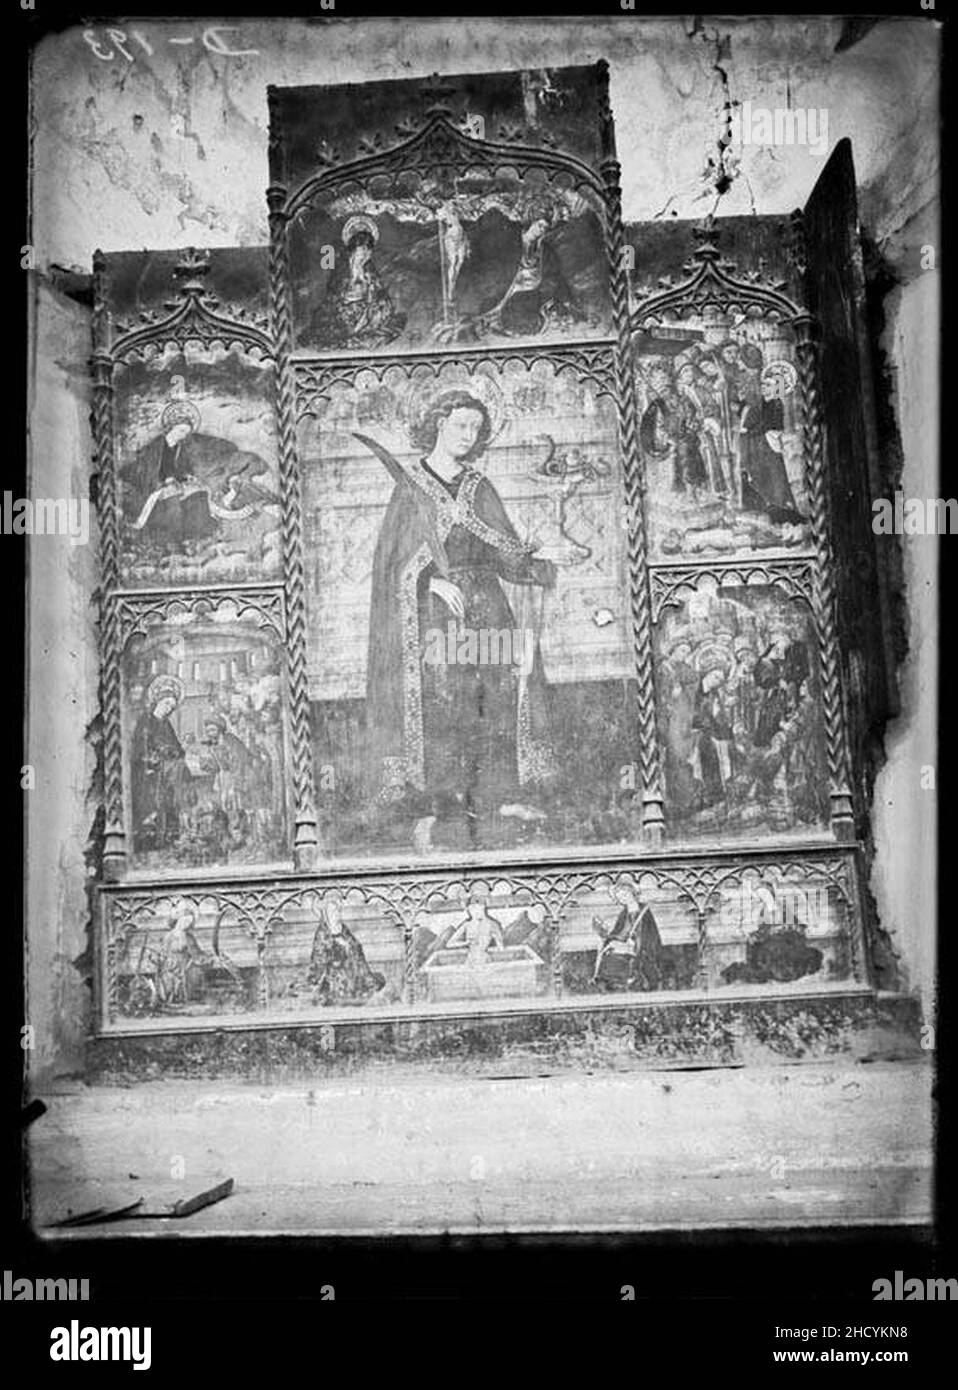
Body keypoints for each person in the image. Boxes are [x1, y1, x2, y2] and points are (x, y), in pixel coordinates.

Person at [360, 388, 557, 840]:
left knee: (496, 692)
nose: (468, 435)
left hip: (487, 607)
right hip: (435, 615)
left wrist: (538, 563)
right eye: (460, 425)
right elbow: (391, 563)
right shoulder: (410, 488)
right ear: (438, 424)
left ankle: (496, 795)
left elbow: (503, 553)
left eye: (475, 428)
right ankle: (442, 804)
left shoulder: (478, 485)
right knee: (446, 700)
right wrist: (428, 580)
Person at [310, 215, 406, 349]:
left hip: (366, 308)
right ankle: (355, 332)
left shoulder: (369, 267)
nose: (367, 253)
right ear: (355, 248)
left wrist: (372, 289)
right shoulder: (341, 267)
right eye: (363, 248)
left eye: (369, 249)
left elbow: (378, 291)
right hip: (345, 309)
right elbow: (335, 293)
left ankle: (364, 329)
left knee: (383, 308)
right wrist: (350, 294)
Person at [130, 675, 190, 853]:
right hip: (150, 772)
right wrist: (158, 756)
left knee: (172, 797)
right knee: (154, 806)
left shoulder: (166, 724)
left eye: (171, 707)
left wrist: (179, 749)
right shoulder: (146, 721)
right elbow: (141, 748)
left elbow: (177, 749)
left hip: (167, 772)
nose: (168, 709)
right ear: (158, 701)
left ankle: (169, 838)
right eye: (166, 704)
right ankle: (151, 840)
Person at [738, 369, 804, 524]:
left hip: (770, 445)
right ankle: (767, 509)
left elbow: (775, 424)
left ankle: (782, 509)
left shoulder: (777, 404)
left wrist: (773, 432)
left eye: (768, 385)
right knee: (760, 476)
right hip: (756, 446)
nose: (764, 388)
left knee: (777, 475)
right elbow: (746, 429)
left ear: (776, 388)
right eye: (763, 385)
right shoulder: (756, 406)